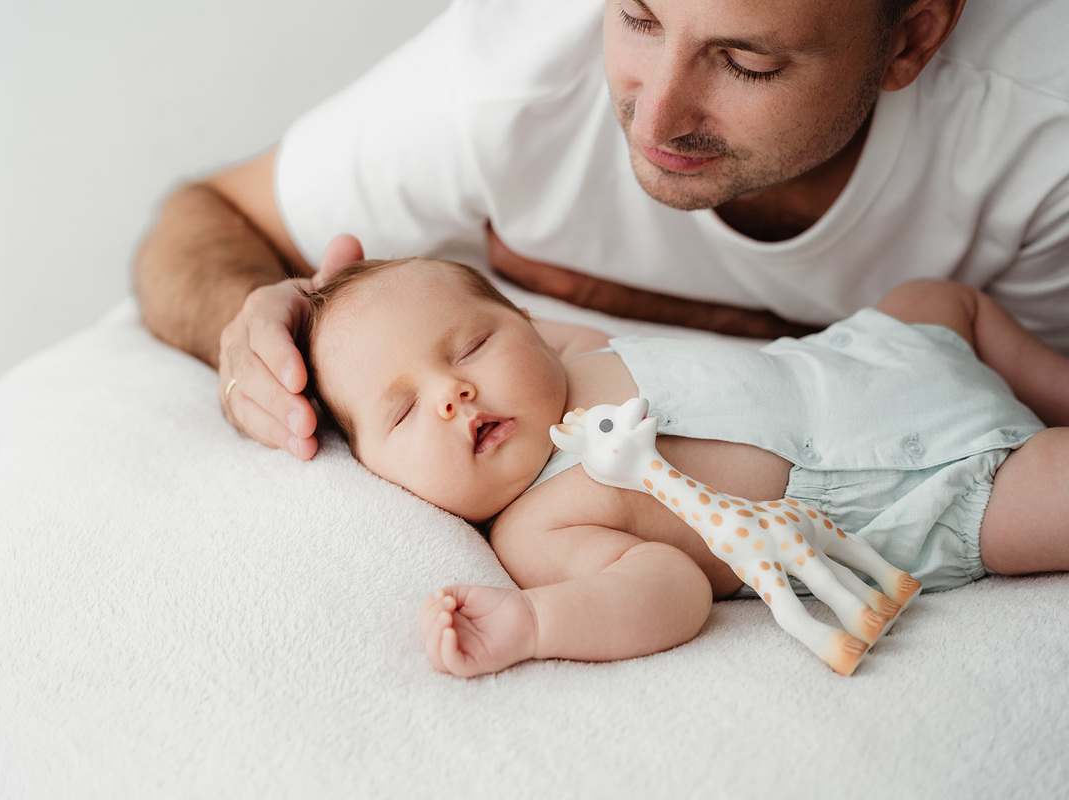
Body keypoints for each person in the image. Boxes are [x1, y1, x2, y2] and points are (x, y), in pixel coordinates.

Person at [134, 0, 1069, 462]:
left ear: (911, 38)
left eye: (746, 63)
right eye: (639, 19)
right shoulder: (502, 85)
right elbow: (206, 216)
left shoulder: (1040, 137)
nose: (655, 121)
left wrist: (718, 326)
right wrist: (252, 329)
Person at [299, 256, 1068, 677]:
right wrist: (536, 623)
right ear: (377, 472)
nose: (451, 392)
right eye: (403, 412)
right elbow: (669, 590)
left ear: (529, 327)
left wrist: (321, 291)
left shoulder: (571, 358)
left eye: (470, 346)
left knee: (941, 297)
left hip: (860, 358)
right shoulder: (535, 528)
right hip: (920, 491)